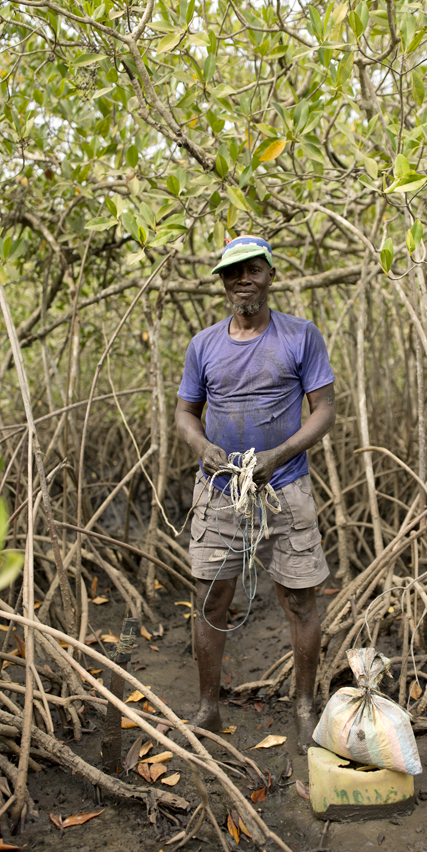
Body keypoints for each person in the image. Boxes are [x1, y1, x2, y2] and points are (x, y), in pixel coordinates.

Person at [175, 235, 335, 753]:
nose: (242, 278)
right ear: (222, 282)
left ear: (269, 274)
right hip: (219, 493)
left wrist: (279, 455)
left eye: (251, 269)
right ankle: (207, 706)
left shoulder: (300, 335)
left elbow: (325, 411)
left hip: (285, 491)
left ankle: (305, 703)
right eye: (231, 272)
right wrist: (203, 447)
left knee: (300, 601)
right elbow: (184, 414)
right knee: (209, 599)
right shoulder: (204, 344)